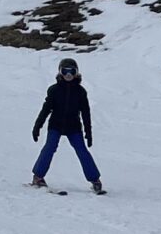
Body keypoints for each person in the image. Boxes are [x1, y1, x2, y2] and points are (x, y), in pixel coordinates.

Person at [31, 57, 105, 191]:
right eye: (65, 71)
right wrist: (37, 126)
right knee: (49, 148)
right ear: (60, 72)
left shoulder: (80, 92)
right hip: (56, 125)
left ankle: (95, 180)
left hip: (73, 127)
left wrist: (88, 132)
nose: (68, 75)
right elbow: (45, 110)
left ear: (76, 73)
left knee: (82, 150)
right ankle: (38, 177)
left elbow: (85, 113)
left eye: (72, 71)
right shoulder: (54, 90)